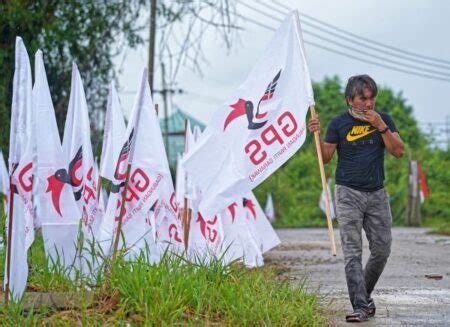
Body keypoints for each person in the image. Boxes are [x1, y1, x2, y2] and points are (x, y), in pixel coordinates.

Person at [308, 75, 404, 322]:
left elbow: (398, 151)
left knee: (382, 249)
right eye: (363, 99)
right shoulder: (339, 123)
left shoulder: (384, 120)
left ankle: (365, 295)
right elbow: (325, 157)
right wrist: (316, 135)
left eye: (372, 98)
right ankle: (360, 306)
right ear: (350, 99)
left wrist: (381, 125)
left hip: (377, 194)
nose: (369, 103)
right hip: (347, 193)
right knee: (352, 251)